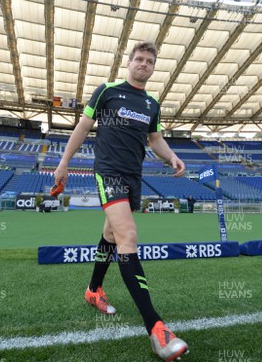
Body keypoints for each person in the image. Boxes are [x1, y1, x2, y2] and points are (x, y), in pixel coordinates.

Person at [54, 41, 188, 361]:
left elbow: (155, 139)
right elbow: (83, 126)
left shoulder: (152, 104)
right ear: (129, 63)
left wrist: (171, 157)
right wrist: (63, 163)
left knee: (112, 235)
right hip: (108, 172)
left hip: (133, 177)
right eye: (139, 59)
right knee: (128, 236)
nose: (143, 64)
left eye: (149, 61)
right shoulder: (108, 90)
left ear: (153, 67)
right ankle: (157, 329)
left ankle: (93, 291)